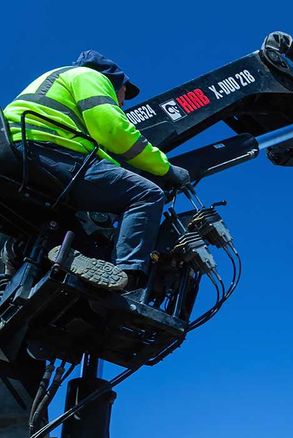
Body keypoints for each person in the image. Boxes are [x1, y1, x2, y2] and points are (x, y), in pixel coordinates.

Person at [3, 51, 190, 291]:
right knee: (147, 194)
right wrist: (165, 168)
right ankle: (127, 279)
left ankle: (16, 271)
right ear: (114, 80)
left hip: (14, 158)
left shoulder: (51, 80)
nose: (123, 102)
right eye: (124, 93)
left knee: (67, 229)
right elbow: (113, 130)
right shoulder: (89, 76)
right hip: (46, 151)